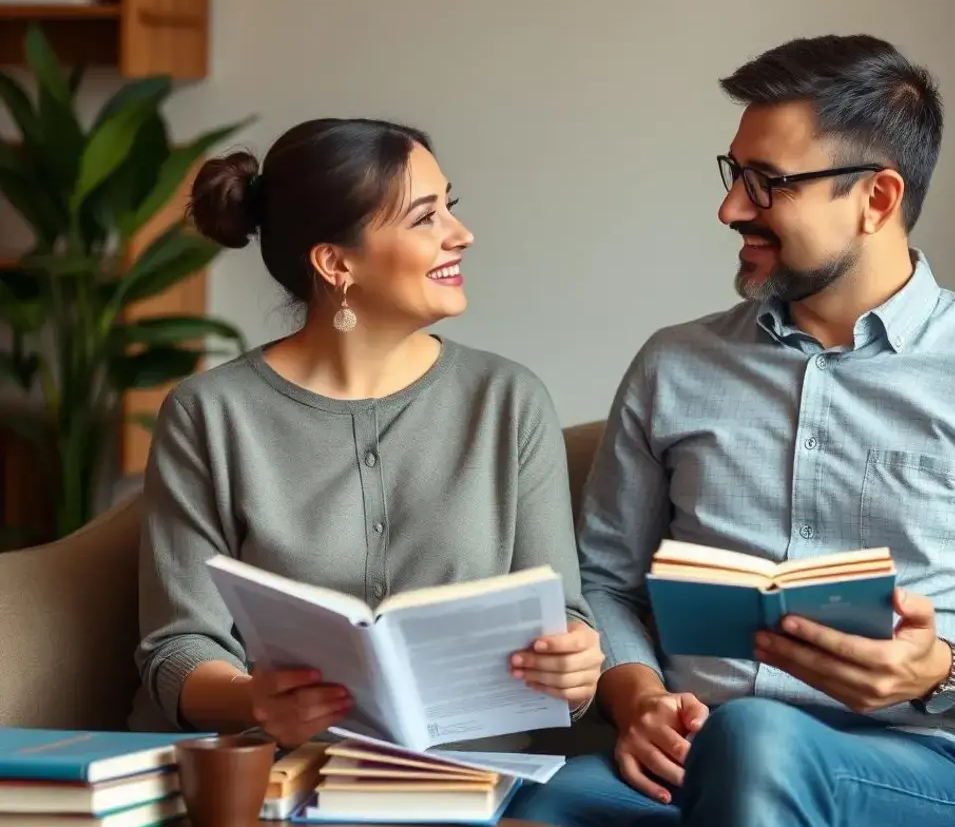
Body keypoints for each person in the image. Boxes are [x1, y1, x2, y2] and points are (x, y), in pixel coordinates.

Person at [505, 35, 955, 827]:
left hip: (919, 773)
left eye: (767, 183)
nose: (732, 209)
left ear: (876, 198)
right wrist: (640, 703)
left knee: (757, 742)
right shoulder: (675, 365)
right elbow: (606, 584)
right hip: (688, 763)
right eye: (732, 174)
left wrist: (937, 671)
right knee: (511, 816)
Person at [129, 117, 603, 748]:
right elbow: (178, 646)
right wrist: (254, 700)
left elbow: (563, 615)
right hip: (279, 779)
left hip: (478, 784)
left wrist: (573, 666)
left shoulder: (508, 401)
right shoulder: (208, 413)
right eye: (424, 218)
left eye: (450, 209)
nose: (461, 235)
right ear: (335, 263)